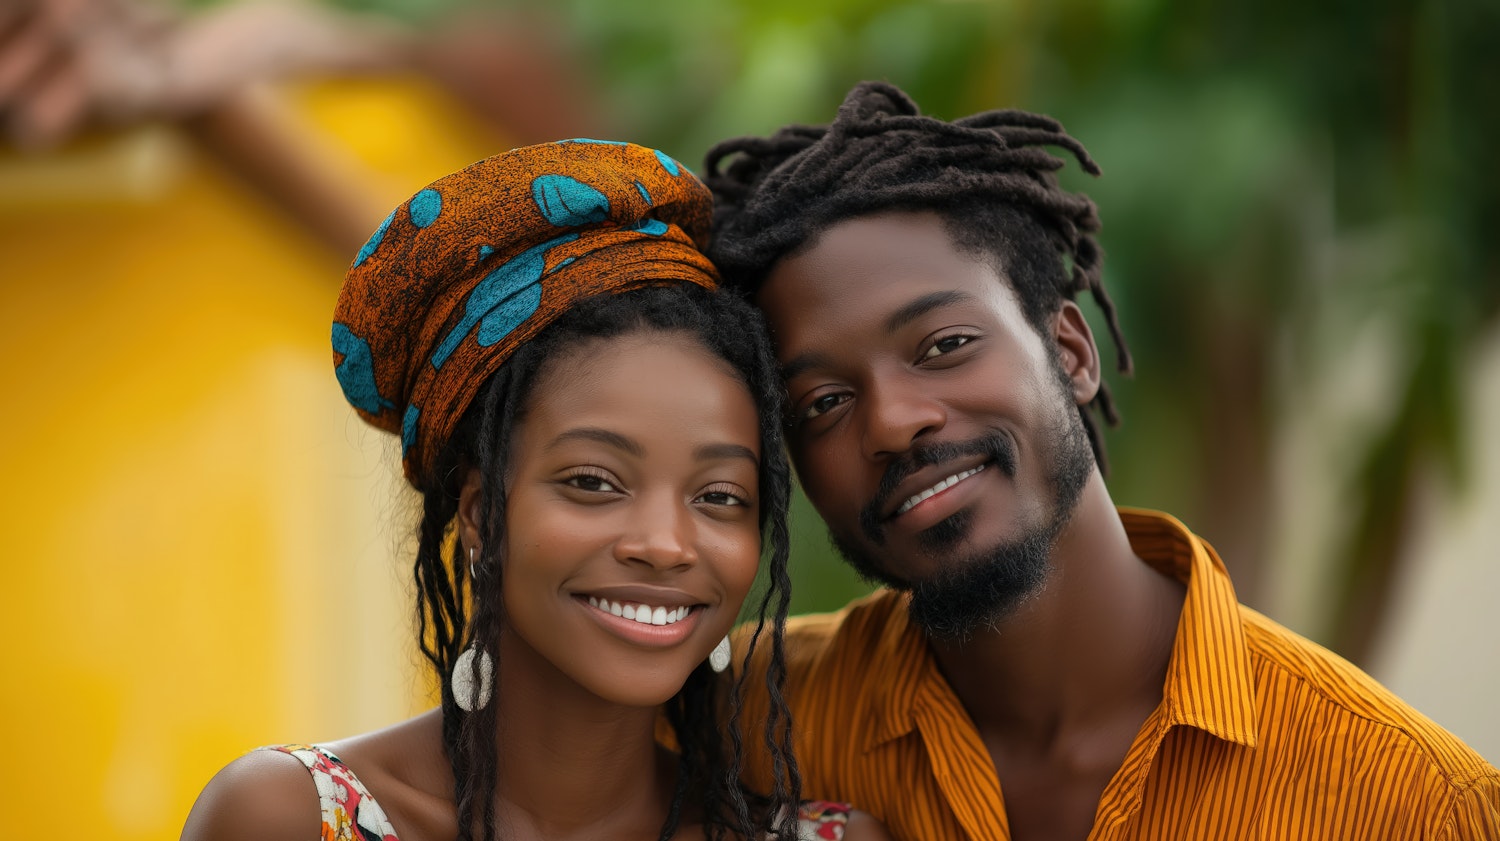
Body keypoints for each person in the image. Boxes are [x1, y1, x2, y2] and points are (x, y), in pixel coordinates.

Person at [704, 81, 1500, 840]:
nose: (892, 421)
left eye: (944, 345)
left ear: (1070, 350)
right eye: (823, 403)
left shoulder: (1418, 805)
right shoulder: (743, 717)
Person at [181, 140, 887, 841]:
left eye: (719, 496)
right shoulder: (288, 818)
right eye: (593, 482)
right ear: (481, 512)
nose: (666, 545)